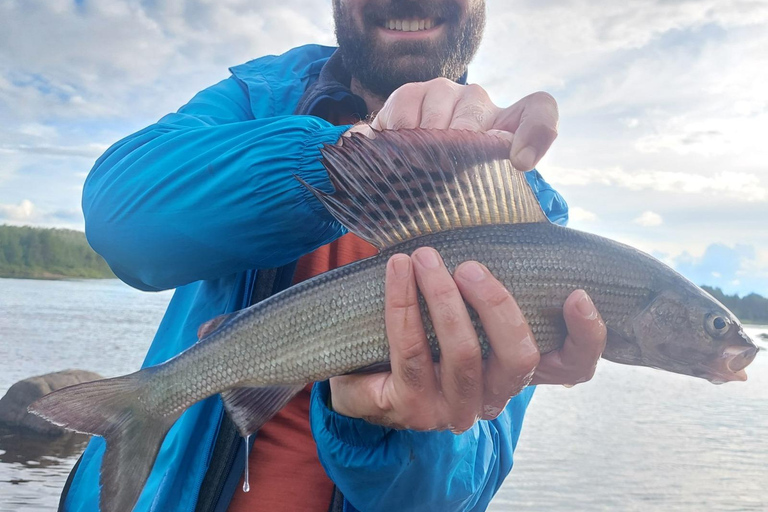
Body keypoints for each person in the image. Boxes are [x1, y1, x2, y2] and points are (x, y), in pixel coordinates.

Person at [62, 1, 607, 511]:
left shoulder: (529, 208)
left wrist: (394, 429)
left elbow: (457, 493)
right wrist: (352, 155)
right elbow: (120, 218)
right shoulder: (259, 97)